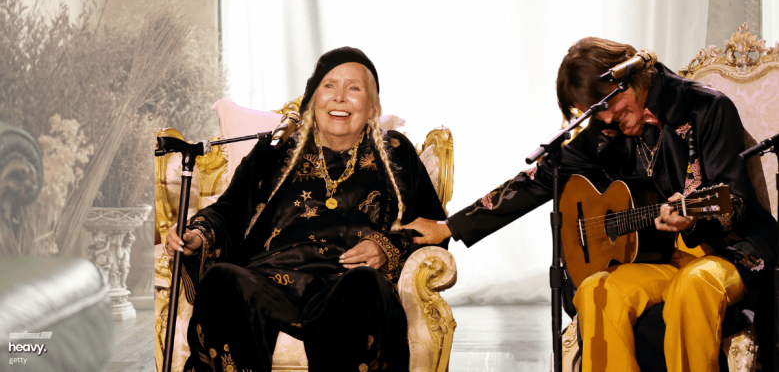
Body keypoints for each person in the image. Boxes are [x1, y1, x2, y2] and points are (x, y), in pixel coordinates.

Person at [405, 37, 777, 371]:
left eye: (610, 102)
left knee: (694, 285)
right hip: (663, 258)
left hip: (727, 253)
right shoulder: (607, 128)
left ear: (628, 79)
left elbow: (736, 200)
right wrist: (449, 227)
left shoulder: (705, 108)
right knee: (598, 290)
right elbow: (537, 180)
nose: (607, 117)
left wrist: (691, 219)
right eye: (595, 111)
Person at [164, 47, 446, 372]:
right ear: (313, 97)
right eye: (329, 86)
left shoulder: (395, 152)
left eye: (353, 88)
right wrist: (199, 233)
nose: (339, 98)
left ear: (371, 104)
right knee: (223, 278)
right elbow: (229, 211)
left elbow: (431, 226)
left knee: (365, 287)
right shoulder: (276, 150)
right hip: (270, 280)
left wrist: (387, 247)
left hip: (347, 282)